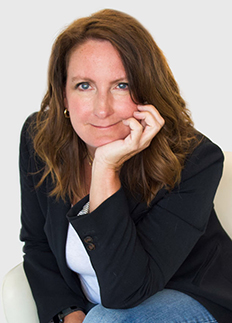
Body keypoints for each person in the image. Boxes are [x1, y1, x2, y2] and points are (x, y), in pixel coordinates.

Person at [19, 8, 232, 323]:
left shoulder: (195, 159)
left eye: (121, 85)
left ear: (147, 91)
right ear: (63, 95)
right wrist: (69, 314)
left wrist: (105, 168)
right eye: (84, 86)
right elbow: (38, 245)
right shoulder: (40, 139)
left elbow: (126, 293)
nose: (102, 109)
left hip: (194, 298)